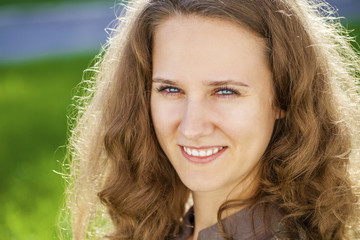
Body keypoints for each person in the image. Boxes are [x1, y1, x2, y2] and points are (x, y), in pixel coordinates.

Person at [62, 0, 360, 239]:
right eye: (170, 89)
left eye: (225, 91)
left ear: (284, 96)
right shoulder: (170, 227)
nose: (192, 127)